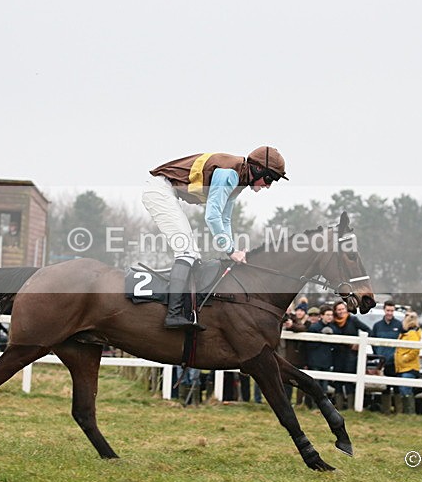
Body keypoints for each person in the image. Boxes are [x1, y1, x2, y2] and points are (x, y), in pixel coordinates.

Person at [143, 146, 288, 329]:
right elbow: (212, 216)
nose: (268, 185)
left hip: (167, 190)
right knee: (187, 252)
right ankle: (173, 315)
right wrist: (230, 250)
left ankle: (182, 311)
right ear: (257, 169)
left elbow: (225, 219)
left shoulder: (239, 180)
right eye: (269, 179)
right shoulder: (229, 174)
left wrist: (232, 250)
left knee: (193, 254)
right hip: (159, 190)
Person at [331, 301, 370, 411]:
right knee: (337, 381)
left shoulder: (353, 320)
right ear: (335, 311)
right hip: (337, 354)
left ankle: (350, 407)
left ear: (346, 309)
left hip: (350, 355)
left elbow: (368, 330)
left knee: (349, 381)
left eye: (343, 309)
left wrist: (359, 344)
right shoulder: (333, 322)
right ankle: (338, 406)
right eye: (339, 309)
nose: (341, 311)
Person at [371, 301, 402, 414]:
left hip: (395, 361)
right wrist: (378, 355)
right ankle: (386, 410)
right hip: (382, 361)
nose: (389, 313)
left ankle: (399, 411)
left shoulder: (399, 325)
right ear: (384, 310)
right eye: (388, 310)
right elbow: (372, 342)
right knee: (385, 387)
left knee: (397, 386)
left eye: (392, 311)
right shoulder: (377, 326)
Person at [395, 311, 422, 415]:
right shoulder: (407, 333)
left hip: (408, 366)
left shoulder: (411, 334)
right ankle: (406, 412)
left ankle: (409, 412)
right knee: (404, 389)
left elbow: (415, 350)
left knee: (405, 389)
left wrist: (404, 358)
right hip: (403, 367)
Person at [284, 302, 310, 406]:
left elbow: (303, 328)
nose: (299, 312)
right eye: (298, 310)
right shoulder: (290, 318)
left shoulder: (306, 322)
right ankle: (286, 401)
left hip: (301, 356)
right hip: (289, 356)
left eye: (302, 311)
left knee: (300, 381)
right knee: (287, 381)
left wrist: (292, 325)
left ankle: (299, 403)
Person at [306, 305, 335, 397]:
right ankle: (314, 405)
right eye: (327, 314)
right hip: (315, 361)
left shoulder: (334, 328)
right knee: (315, 385)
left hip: (327, 361)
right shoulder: (314, 327)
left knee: (325, 386)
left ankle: (324, 405)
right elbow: (309, 345)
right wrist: (321, 336)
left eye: (331, 315)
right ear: (321, 316)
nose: (330, 317)